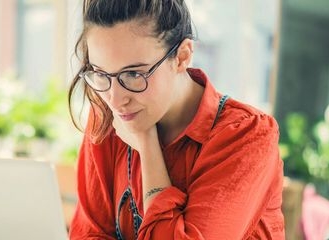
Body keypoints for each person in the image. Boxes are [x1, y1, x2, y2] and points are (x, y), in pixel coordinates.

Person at [67, 0, 285, 239]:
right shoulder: (107, 117)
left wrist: (146, 142)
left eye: (133, 74)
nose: (115, 99)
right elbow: (88, 233)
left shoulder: (247, 136)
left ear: (182, 57)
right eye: (100, 73)